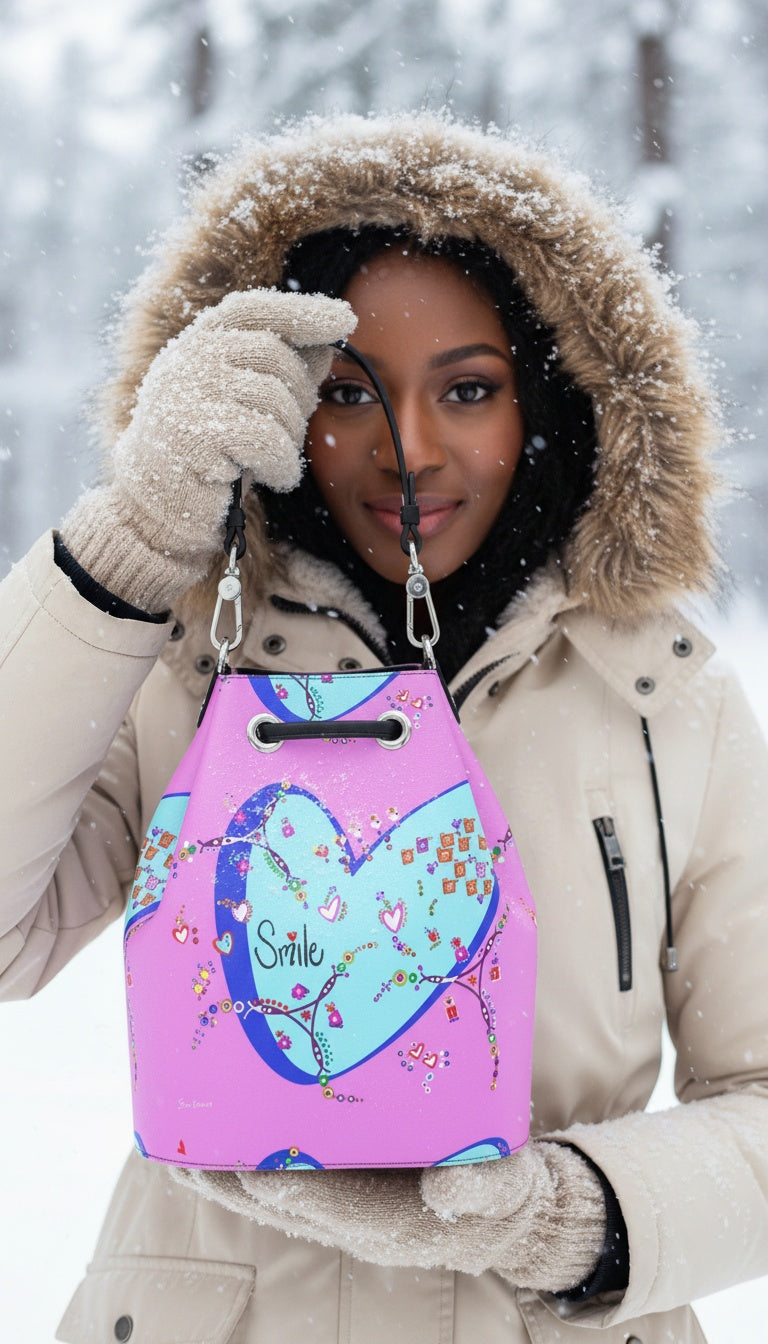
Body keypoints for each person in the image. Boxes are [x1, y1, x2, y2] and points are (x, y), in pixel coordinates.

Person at [1, 112, 766, 1344]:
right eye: (348, 391)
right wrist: (132, 541)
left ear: (553, 402)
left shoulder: (669, 700)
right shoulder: (183, 663)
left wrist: (577, 1220)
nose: (406, 451)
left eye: (468, 389)